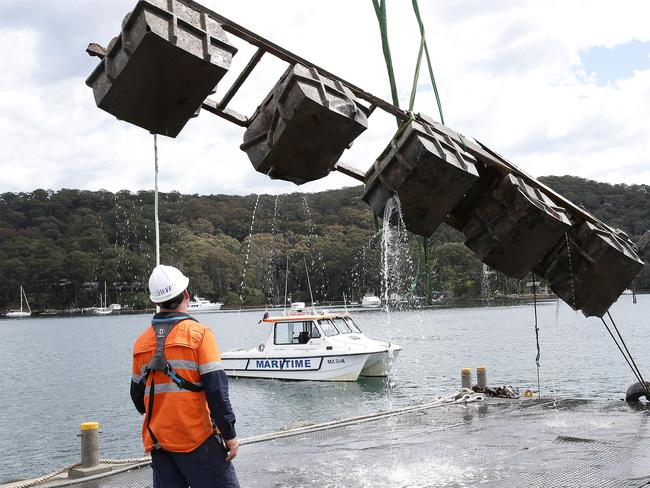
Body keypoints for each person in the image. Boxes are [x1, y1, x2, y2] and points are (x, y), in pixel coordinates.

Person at [130, 264, 240, 488]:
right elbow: (217, 391)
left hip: (160, 444)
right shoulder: (200, 335)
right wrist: (230, 435)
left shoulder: (142, 342)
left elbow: (137, 397)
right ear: (186, 295)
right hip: (199, 440)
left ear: (156, 302)